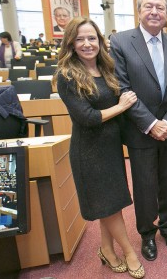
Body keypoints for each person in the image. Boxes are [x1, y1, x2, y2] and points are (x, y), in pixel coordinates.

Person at [54, 17, 144, 278]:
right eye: (80, 39)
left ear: (99, 40)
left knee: (111, 204)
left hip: (111, 147)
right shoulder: (67, 75)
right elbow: (87, 117)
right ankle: (129, 252)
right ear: (70, 42)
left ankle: (106, 248)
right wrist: (121, 106)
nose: (87, 43)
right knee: (108, 204)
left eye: (91, 38)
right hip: (89, 151)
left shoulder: (106, 68)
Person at [110, 0, 167, 262]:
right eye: (149, 7)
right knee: (144, 184)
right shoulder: (120, 42)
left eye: (160, 7)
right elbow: (122, 87)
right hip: (140, 129)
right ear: (139, 11)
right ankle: (147, 233)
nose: (155, 12)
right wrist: (150, 123)